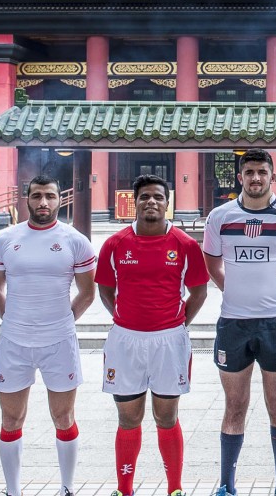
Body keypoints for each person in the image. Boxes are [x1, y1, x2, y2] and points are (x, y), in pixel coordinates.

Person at [203, 148, 276, 496]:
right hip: (233, 324)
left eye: (262, 172)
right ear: (240, 177)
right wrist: (232, 291)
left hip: (275, 325)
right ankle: (227, 485)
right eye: (249, 172)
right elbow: (211, 263)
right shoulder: (220, 217)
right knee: (234, 406)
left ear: (272, 176)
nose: (256, 178)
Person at [97, 175, 209, 496]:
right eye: (144, 196)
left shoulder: (185, 245)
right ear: (135, 202)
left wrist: (176, 323)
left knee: (166, 417)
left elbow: (199, 292)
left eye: (158, 197)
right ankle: (124, 489)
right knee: (128, 418)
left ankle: (175, 488)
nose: (151, 202)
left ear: (167, 203)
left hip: (169, 341)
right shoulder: (115, 244)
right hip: (125, 341)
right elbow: (105, 289)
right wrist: (126, 317)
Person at [0, 175, 97, 496]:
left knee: (63, 416)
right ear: (27, 199)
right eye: (36, 196)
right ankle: (13, 490)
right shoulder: (5, 239)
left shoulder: (75, 240)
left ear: (60, 199)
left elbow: (87, 293)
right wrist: (14, 320)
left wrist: (62, 321)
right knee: (11, 418)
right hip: (14, 342)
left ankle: (67, 487)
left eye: (50, 195)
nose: (43, 202)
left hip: (59, 342)